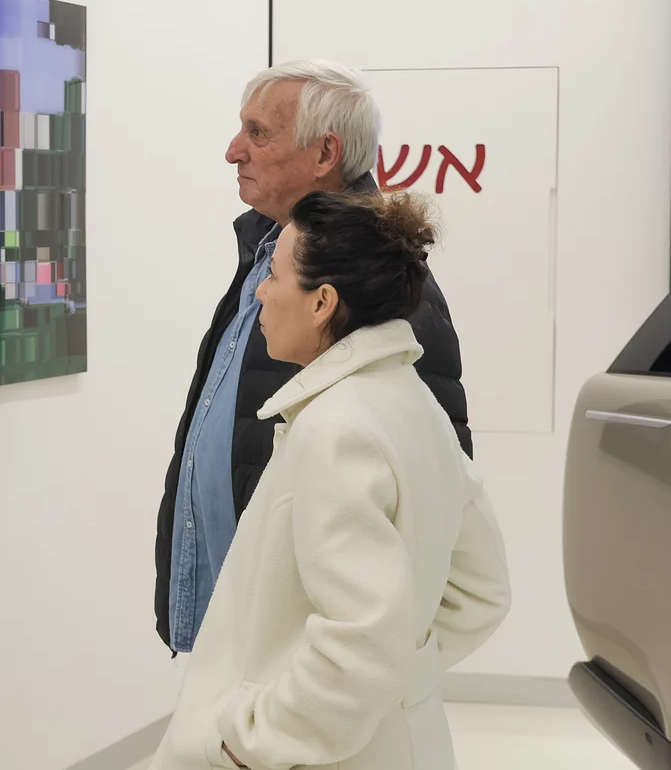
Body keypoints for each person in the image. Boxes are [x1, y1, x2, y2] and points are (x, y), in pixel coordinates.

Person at [149, 190, 511, 770]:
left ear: (322, 302)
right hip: (400, 741)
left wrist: (250, 742)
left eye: (274, 276)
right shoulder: (411, 402)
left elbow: (362, 641)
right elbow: (481, 591)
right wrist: (399, 678)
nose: (261, 293)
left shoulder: (336, 429)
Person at [154, 60, 472, 654]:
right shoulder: (266, 250)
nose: (233, 151)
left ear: (325, 153)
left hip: (296, 651)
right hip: (238, 632)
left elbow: (437, 487)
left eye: (257, 133)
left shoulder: (387, 292)